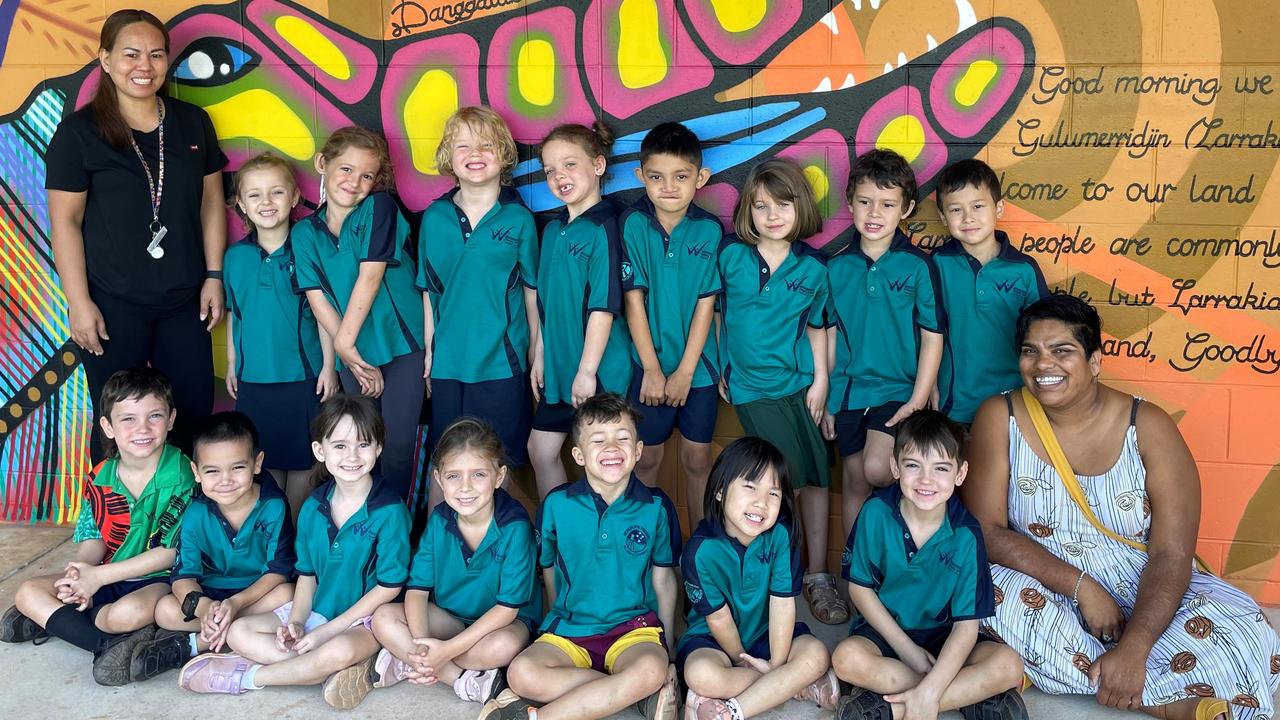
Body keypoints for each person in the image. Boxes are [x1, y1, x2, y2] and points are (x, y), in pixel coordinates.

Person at [962, 295, 1280, 720]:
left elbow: (1171, 553)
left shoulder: (1147, 426)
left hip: (1144, 583)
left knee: (1244, 626)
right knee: (987, 592)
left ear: (1095, 360)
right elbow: (986, 529)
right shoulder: (1000, 416)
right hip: (1045, 582)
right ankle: (1177, 705)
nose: (1043, 365)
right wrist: (1082, 587)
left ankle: (1075, 672)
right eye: (1030, 351)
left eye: (1062, 351)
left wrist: (1135, 646)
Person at [47, 9, 228, 459]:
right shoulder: (78, 134)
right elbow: (65, 223)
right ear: (105, 59)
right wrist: (79, 302)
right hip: (112, 302)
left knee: (190, 413)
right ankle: (112, 524)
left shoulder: (192, 123)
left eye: (155, 55)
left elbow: (211, 203)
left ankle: (186, 524)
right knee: (117, 420)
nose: (143, 66)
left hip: (184, 299)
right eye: (130, 54)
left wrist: (213, 275)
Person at [177, 395, 411, 710]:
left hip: (361, 620)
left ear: (378, 448)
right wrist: (298, 622)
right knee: (239, 632)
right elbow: (307, 576)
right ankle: (322, 671)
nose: (352, 456)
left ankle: (250, 677)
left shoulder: (389, 510)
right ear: (320, 450)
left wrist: (326, 632)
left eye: (363, 445)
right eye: (339, 446)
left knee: (336, 651)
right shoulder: (313, 507)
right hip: (317, 610)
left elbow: (390, 586)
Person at [485, 394, 681, 720]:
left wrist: (669, 644)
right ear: (578, 454)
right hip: (571, 629)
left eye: (622, 438)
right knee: (521, 673)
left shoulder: (656, 506)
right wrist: (552, 622)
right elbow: (548, 570)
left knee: (651, 669)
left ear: (637, 451)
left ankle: (540, 716)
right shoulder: (556, 505)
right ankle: (631, 696)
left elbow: (664, 579)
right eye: (598, 440)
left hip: (634, 629)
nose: (612, 448)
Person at [1, 368, 195, 686]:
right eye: (128, 419)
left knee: (124, 615)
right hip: (103, 574)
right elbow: (94, 537)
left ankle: (67, 624)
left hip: (157, 580)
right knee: (27, 592)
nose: (142, 428)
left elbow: (170, 554)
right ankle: (104, 644)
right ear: (107, 426)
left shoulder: (182, 474)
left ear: (171, 419)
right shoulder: (101, 475)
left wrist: (97, 579)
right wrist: (79, 575)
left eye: (154, 416)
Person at [832, 409, 1026, 720]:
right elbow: (860, 590)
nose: (926, 480)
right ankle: (969, 696)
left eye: (940, 468)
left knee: (1008, 665)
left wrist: (932, 689)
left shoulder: (966, 534)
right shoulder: (876, 512)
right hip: (888, 633)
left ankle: (890, 709)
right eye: (913, 465)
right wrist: (911, 654)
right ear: (895, 467)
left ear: (960, 474)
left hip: (946, 639)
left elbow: (965, 628)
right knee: (846, 659)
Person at [717, 158, 844, 625]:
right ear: (748, 211)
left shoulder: (813, 268)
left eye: (783, 205)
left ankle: (817, 574)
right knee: (784, 477)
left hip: (799, 385)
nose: (772, 215)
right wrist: (720, 365)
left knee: (816, 473)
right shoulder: (730, 256)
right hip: (753, 388)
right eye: (761, 206)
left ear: (800, 209)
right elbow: (714, 314)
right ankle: (782, 577)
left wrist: (823, 383)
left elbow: (818, 329)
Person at [291, 127, 426, 499]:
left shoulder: (378, 208)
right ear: (323, 163)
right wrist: (348, 356)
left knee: (397, 444)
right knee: (357, 442)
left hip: (403, 345)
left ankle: (397, 525)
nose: (355, 182)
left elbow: (371, 275)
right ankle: (361, 522)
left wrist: (346, 347)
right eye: (346, 169)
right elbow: (317, 298)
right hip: (353, 353)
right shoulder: (305, 233)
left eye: (367, 175)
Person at [368, 417, 539, 706]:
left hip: (499, 624)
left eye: (479, 475)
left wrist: (442, 651)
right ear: (438, 479)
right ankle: (462, 680)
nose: (466, 487)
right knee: (383, 616)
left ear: (499, 477)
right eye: (454, 476)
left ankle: (406, 660)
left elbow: (507, 610)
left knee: (503, 648)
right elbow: (418, 590)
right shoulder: (439, 520)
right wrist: (424, 645)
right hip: (451, 618)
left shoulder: (515, 526)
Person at [824, 149, 944, 548]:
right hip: (848, 391)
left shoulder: (916, 265)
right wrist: (826, 398)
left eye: (888, 204)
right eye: (865, 202)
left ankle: (897, 551)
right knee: (855, 480)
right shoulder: (836, 267)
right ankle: (857, 568)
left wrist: (920, 395)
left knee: (878, 469)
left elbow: (932, 335)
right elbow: (827, 334)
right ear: (850, 202)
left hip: (897, 390)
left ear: (906, 209)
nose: (875, 213)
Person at [129, 411, 296, 681]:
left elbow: (279, 570)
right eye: (212, 471)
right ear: (196, 472)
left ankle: (195, 644)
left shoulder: (273, 506)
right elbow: (183, 576)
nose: (225, 480)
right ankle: (229, 632)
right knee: (164, 610)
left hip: (256, 592)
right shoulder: (195, 513)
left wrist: (236, 603)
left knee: (289, 593)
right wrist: (206, 608)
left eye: (237, 468)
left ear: (257, 463)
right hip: (211, 592)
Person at [680, 436, 840, 719]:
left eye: (774, 494)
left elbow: (782, 603)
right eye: (750, 487)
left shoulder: (780, 535)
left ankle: (734, 707)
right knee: (701, 673)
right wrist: (742, 661)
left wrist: (777, 664)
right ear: (719, 491)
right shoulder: (700, 551)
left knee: (816, 654)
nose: (761, 503)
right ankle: (791, 686)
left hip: (768, 633)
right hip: (715, 639)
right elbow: (718, 619)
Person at [418, 107, 538, 476]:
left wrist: (538, 352)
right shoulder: (434, 217)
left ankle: (503, 535)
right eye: (463, 146)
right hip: (449, 363)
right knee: (448, 462)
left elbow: (532, 292)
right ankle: (442, 535)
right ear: (448, 157)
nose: (475, 154)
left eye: (486, 145)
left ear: (502, 154)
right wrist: (429, 351)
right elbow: (429, 291)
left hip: (502, 362)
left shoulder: (519, 219)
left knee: (500, 464)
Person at [224, 152, 339, 516]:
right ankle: (275, 541)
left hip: (303, 378)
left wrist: (330, 367)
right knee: (264, 464)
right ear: (241, 203)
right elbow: (235, 315)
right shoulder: (235, 258)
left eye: (276, 193)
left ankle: (295, 539)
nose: (266, 203)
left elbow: (324, 318)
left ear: (293, 198)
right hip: (254, 380)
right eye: (255, 195)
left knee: (305, 464)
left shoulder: (307, 251)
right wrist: (232, 365)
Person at [527, 122, 633, 499]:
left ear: (599, 165)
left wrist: (587, 372)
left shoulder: (607, 225)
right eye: (550, 170)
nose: (560, 177)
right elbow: (546, 303)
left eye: (570, 165)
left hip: (597, 371)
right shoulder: (553, 230)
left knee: (604, 460)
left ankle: (604, 544)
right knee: (540, 451)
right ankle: (557, 536)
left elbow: (604, 307)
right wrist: (540, 354)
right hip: (558, 367)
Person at [622, 121, 721, 525]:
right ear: (640, 176)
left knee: (698, 458)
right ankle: (647, 546)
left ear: (701, 178)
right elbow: (634, 300)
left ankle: (700, 547)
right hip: (649, 367)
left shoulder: (710, 231)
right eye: (657, 177)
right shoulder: (632, 225)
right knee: (646, 459)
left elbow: (705, 304)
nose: (669, 187)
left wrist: (685, 371)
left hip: (696, 371)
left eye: (681, 177)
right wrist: (651, 368)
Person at [932, 159, 1047, 425]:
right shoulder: (935, 264)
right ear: (942, 217)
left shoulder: (1024, 269)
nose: (968, 217)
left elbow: (1045, 336)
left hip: (1016, 403)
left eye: (978, 206)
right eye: (956, 210)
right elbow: (922, 333)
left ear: (999, 208)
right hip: (955, 404)